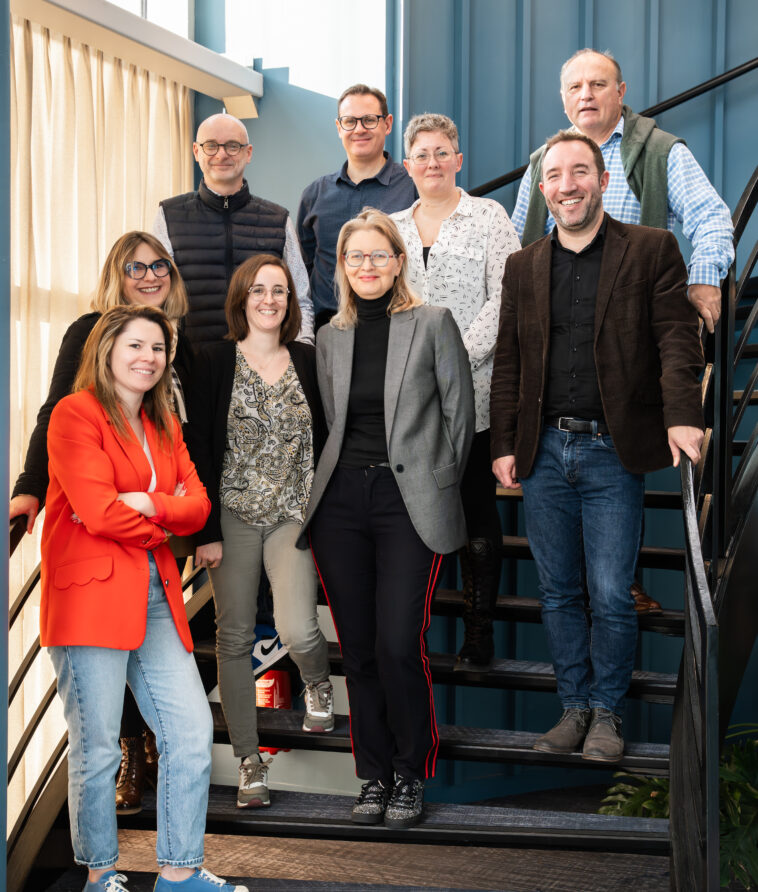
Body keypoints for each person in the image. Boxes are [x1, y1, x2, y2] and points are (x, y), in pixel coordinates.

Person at [490, 132, 704, 762]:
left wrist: (683, 416)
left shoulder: (651, 249)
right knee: (557, 591)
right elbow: (510, 361)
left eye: (580, 172)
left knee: (610, 593)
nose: (568, 185)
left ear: (603, 180)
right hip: (544, 452)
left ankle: (607, 712)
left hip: (613, 451)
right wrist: (503, 441)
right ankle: (574, 706)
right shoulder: (523, 266)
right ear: (543, 189)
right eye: (555, 175)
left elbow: (676, 339)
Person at [511, 47, 733, 614]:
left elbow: (711, 218)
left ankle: (617, 579)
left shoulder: (660, 151)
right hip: (567, 334)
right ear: (563, 99)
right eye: (575, 87)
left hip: (635, 337)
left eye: (598, 84)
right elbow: (519, 239)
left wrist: (703, 279)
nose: (586, 95)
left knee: (618, 456)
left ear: (621, 92)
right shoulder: (545, 163)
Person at [41, 305, 245, 892]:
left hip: (156, 594)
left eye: (157, 348)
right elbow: (100, 512)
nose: (147, 358)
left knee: (190, 733)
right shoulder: (75, 414)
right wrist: (162, 520)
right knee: (99, 748)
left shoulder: (164, 424)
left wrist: (151, 503)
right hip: (89, 599)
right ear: (107, 349)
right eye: (135, 345)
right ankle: (100, 874)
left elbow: (198, 507)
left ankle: (180, 873)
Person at [299, 209, 475, 828]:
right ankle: (373, 776)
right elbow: (331, 422)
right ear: (342, 267)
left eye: (379, 254)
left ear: (399, 262)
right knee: (359, 649)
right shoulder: (331, 336)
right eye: (356, 257)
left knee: (399, 643)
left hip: (408, 502)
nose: (367, 266)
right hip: (341, 502)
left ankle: (410, 771)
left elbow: (458, 418)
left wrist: (433, 482)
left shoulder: (433, 323)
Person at [9, 231, 193, 815]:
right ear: (117, 273)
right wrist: (29, 487)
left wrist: (192, 517)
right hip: (112, 517)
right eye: (135, 267)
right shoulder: (88, 331)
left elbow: (198, 430)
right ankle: (132, 752)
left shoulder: (180, 340)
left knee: (152, 642)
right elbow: (55, 412)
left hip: (164, 504)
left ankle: (154, 746)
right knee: (118, 638)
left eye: (159, 266)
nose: (149, 275)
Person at [185, 254, 332, 810]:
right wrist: (204, 530)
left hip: (294, 513)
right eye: (258, 290)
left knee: (297, 629)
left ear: (291, 301)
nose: (269, 299)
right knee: (234, 638)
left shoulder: (309, 360)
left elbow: (329, 437)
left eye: (279, 290)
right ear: (241, 299)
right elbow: (198, 448)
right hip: (232, 516)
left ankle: (316, 681)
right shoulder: (214, 359)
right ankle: (249, 762)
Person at [392, 113, 521, 671]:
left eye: (442, 152)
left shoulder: (489, 218)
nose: (432, 163)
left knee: (476, 507)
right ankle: (410, 632)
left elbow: (508, 294)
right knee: (411, 511)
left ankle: (478, 631)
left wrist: (452, 358)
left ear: (458, 160)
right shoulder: (390, 227)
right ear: (407, 166)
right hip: (408, 399)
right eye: (422, 154)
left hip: (476, 392)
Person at [154, 112, 314, 345]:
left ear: (248, 153)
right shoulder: (169, 215)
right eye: (211, 145)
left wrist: (303, 350)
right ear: (196, 151)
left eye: (232, 146)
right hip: (192, 359)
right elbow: (156, 296)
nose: (222, 154)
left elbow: (301, 298)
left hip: (262, 360)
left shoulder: (279, 220)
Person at [297, 84, 417, 328]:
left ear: (388, 124)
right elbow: (302, 271)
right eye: (350, 121)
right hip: (327, 329)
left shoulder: (412, 188)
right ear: (339, 127)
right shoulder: (314, 195)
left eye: (369, 120)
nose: (359, 129)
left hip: (395, 325)